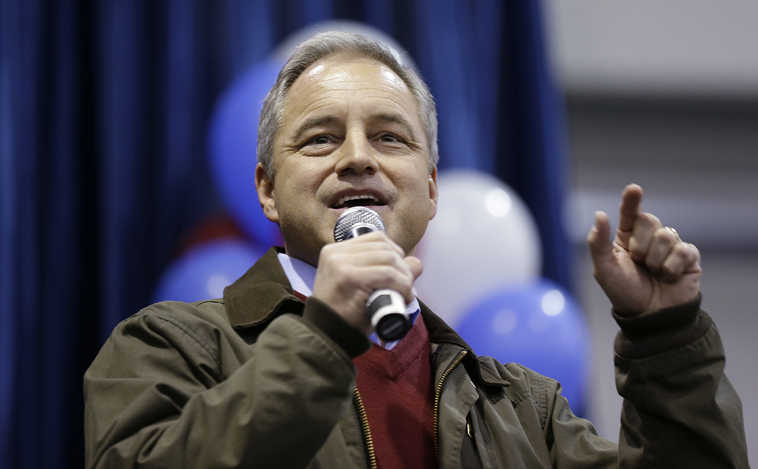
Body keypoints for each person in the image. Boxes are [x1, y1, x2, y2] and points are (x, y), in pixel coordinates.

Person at [84, 31, 748, 468]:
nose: (357, 159)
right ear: (266, 191)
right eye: (319, 139)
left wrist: (665, 336)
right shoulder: (168, 349)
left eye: (390, 138)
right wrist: (321, 339)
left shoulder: (520, 410)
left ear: (430, 189)